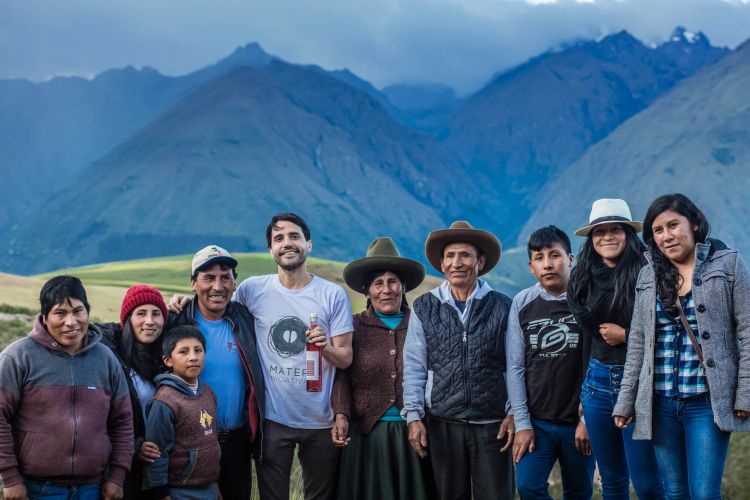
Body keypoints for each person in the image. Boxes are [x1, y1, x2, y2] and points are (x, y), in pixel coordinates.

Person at [613, 193, 750, 499]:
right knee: (674, 492)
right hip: (660, 402)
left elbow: (748, 330)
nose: (666, 236)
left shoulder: (728, 265)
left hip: (706, 402)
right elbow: (638, 343)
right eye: (658, 231)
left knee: (703, 493)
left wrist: (745, 394)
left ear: (695, 224)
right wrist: (625, 402)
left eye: (673, 225)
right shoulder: (649, 274)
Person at [233, 212, 354, 500]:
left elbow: (346, 358)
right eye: (279, 238)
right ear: (270, 250)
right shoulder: (252, 290)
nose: (287, 243)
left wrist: (325, 347)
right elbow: (217, 310)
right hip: (273, 420)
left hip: (321, 420)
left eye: (294, 236)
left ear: (308, 245)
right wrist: (181, 305)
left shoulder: (332, 295)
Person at [402, 220, 516, 500]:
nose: (457, 263)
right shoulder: (425, 306)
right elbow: (415, 366)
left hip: (493, 424)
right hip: (442, 423)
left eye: (465, 255)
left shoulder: (503, 306)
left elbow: (514, 365)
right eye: (450, 256)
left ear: (480, 261)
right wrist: (414, 416)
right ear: (441, 264)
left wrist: (514, 412)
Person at [0, 276, 133, 500]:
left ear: (87, 312)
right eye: (60, 313)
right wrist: (10, 477)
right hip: (36, 488)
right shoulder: (18, 357)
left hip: (94, 488)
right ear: (45, 316)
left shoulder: (106, 359)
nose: (71, 322)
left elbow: (122, 421)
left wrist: (117, 477)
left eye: (78, 311)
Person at [567, 198, 664, 499]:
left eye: (615, 229)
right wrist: (584, 391)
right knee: (612, 480)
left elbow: (669, 327)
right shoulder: (582, 278)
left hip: (638, 384)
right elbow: (587, 339)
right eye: (600, 231)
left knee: (647, 483)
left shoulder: (649, 272)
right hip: (597, 383)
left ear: (627, 234)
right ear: (591, 238)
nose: (607, 236)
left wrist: (627, 335)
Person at [331, 237, 436, 500]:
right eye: (378, 283)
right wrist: (341, 413)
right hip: (367, 435)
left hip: (413, 432)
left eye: (393, 282)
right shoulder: (353, 327)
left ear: (403, 287)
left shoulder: (420, 324)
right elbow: (341, 375)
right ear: (367, 291)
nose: (386, 290)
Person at [169, 245, 265, 500]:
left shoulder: (245, 319)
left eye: (225, 277)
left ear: (235, 284)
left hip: (237, 442)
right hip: (190, 445)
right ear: (193, 284)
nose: (218, 286)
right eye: (208, 278)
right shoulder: (176, 322)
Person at [507, 226, 595, 499]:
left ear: (570, 259)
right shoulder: (523, 302)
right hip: (537, 422)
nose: (547, 264)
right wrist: (522, 424)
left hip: (578, 422)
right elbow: (515, 367)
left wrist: (589, 419)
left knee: (579, 492)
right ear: (531, 266)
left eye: (554, 255)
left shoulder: (588, 300)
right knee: (528, 486)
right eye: (539, 257)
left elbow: (601, 361)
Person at [99, 284, 169, 499]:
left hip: (161, 470)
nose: (150, 321)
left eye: (156, 314)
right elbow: (102, 417)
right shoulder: (111, 358)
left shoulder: (168, 359)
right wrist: (135, 445)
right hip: (122, 471)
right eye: (141, 313)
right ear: (127, 319)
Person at [144, 325, 220, 500]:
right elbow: (157, 453)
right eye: (183, 352)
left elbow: (210, 443)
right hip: (179, 491)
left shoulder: (208, 393)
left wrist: (214, 484)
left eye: (198, 350)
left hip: (209, 487)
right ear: (168, 360)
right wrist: (162, 494)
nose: (193, 357)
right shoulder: (164, 401)